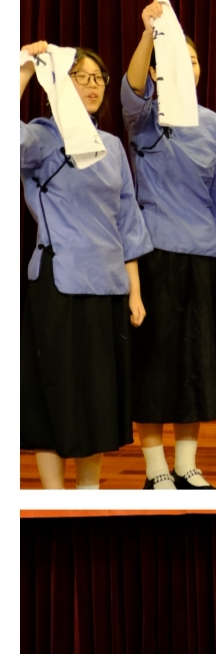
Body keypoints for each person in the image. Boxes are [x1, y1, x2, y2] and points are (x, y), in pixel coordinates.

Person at [119, 0, 216, 488]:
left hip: (202, 257)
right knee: (155, 362)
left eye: (192, 60)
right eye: (176, 59)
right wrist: (149, 33)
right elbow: (132, 85)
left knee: (198, 362)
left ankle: (188, 465)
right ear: (157, 70)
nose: (187, 66)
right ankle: (156, 469)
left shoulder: (213, 124)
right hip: (154, 255)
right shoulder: (143, 118)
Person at [19, 40, 154, 490]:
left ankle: (88, 491)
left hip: (109, 284)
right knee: (55, 393)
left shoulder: (111, 145)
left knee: (97, 395)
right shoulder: (41, 136)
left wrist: (135, 291)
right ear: (58, 84)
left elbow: (127, 219)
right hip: (61, 283)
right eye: (81, 77)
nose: (93, 85)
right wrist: (24, 69)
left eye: (98, 78)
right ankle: (53, 495)